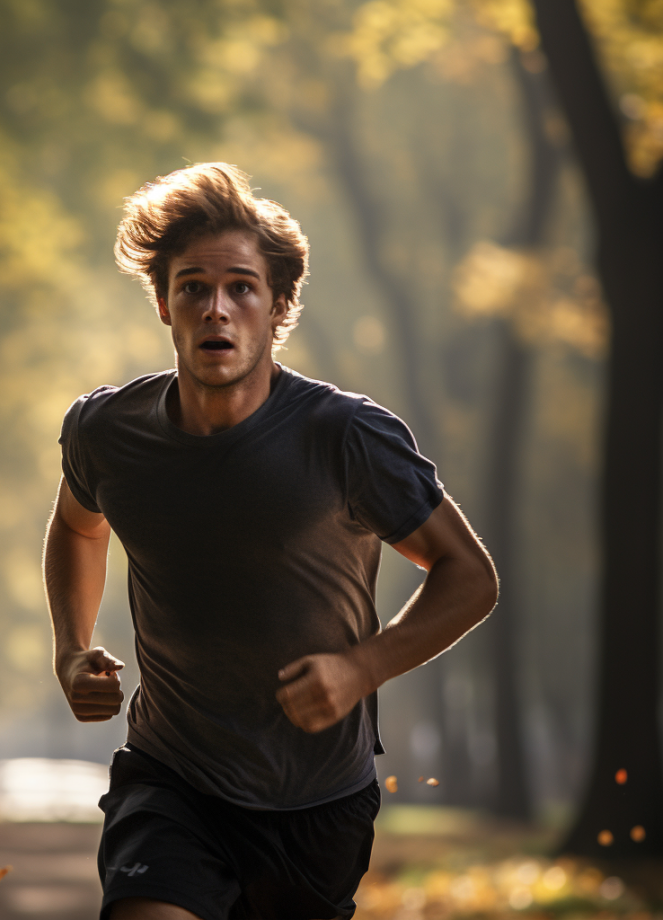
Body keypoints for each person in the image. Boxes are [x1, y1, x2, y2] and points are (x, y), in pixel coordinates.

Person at [43, 163, 498, 920]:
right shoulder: (107, 432)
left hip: (316, 800)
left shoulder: (346, 437)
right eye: (192, 286)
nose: (215, 309)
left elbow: (469, 576)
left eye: (241, 288)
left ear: (277, 305)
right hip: (171, 776)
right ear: (163, 302)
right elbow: (76, 525)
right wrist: (69, 645)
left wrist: (362, 668)